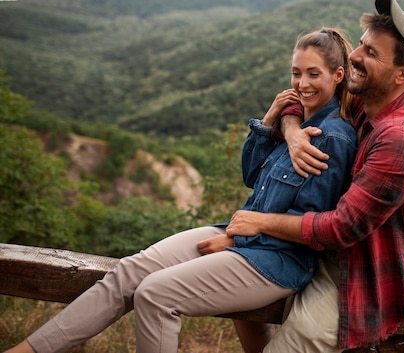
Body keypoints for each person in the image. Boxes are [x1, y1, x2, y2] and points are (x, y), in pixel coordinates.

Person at [4, 27, 357, 353]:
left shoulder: (331, 138)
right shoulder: (297, 120)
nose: (302, 83)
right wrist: (268, 122)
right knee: (129, 271)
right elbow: (252, 175)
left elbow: (310, 225)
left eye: (314, 74)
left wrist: (236, 242)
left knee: (155, 295)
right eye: (296, 72)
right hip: (239, 234)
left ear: (337, 76)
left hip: (276, 260)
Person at [227, 0, 404, 352]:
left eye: (371, 53)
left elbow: (341, 228)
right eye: (361, 45)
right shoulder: (365, 99)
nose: (355, 56)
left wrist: (261, 223)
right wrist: (294, 134)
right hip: (318, 252)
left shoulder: (403, 138)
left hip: (356, 275)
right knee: (240, 302)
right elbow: (299, 97)